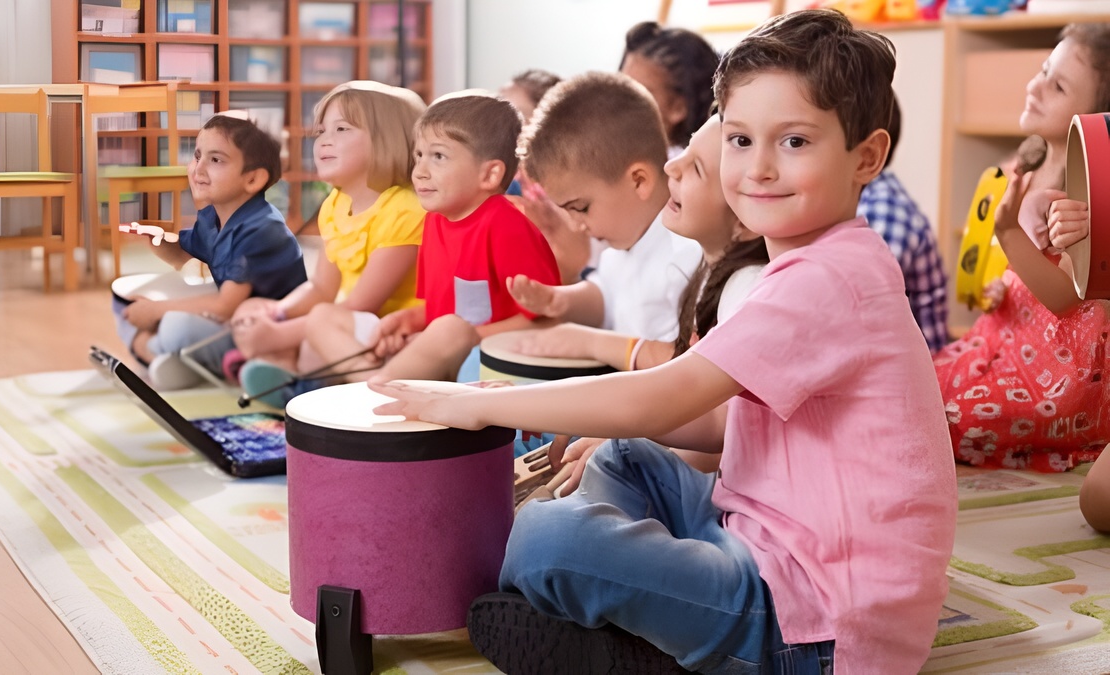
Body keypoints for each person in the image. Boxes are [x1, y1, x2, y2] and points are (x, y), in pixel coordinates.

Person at [370, 10, 957, 673]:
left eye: (794, 142)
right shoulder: (811, 261)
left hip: (816, 623)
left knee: (546, 539)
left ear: (866, 157)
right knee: (626, 456)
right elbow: (708, 417)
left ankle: (636, 648)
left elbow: (664, 396)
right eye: (739, 140)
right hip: (761, 537)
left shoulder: (828, 278)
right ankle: (637, 615)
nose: (758, 168)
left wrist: (477, 403)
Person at [510, 115, 768, 476]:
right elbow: (607, 292)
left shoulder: (703, 266)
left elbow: (704, 414)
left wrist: (625, 435)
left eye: (695, 167)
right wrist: (561, 302)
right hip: (657, 427)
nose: (671, 165)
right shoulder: (692, 262)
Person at [293, 92, 560, 390]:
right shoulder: (433, 220)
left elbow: (548, 318)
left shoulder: (507, 226)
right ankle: (374, 383)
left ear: (490, 174)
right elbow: (441, 308)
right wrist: (409, 320)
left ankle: (376, 389)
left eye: (438, 157)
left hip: (481, 359)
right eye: (418, 155)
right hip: (430, 350)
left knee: (451, 330)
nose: (419, 171)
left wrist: (466, 336)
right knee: (323, 317)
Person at [934, 22, 1110, 473]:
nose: (1035, 86)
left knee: (950, 419)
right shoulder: (1022, 170)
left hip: (1058, 372)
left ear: (1095, 118)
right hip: (1003, 339)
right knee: (919, 386)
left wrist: (1010, 232)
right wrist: (1000, 290)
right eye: (1042, 70)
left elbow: (1065, 298)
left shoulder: (1088, 198)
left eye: (1058, 86)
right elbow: (1020, 279)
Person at [229, 81, 427, 407]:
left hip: (395, 337)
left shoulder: (405, 209)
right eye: (321, 131)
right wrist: (277, 312)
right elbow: (321, 287)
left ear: (386, 140)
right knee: (254, 309)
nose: (324, 140)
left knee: (312, 338)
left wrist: (278, 334)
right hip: (348, 324)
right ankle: (291, 378)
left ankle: (298, 385)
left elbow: (362, 305)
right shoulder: (334, 205)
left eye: (342, 128)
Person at [507, 71, 704, 345]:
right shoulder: (620, 248)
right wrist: (560, 301)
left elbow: (686, 365)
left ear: (639, 181)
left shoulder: (686, 256)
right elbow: (604, 298)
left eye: (581, 207)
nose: (576, 225)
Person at [118, 114, 306, 390]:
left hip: (263, 333)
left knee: (175, 326)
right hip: (227, 321)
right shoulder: (211, 217)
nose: (198, 168)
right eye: (196, 156)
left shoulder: (262, 229)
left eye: (215, 160)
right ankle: (175, 359)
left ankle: (151, 351)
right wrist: (158, 238)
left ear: (252, 179)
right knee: (124, 295)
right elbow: (181, 257)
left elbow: (225, 307)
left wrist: (156, 311)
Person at [857, 96, 949, 352]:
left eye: (801, 141)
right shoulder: (859, 202)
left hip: (914, 374)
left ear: (868, 153)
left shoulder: (883, 211)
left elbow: (857, 314)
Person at [619, 21, 719, 155]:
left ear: (678, 108)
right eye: (621, 85)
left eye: (637, 93)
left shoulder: (677, 171)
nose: (620, 101)